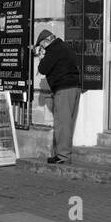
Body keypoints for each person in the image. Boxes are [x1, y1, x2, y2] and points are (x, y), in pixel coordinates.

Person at [33, 29, 81, 165]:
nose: (42, 48)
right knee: (68, 123)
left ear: (47, 40)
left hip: (64, 89)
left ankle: (63, 156)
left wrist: (41, 57)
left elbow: (43, 68)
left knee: (62, 123)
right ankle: (64, 154)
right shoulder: (65, 47)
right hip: (74, 87)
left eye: (42, 45)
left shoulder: (54, 50)